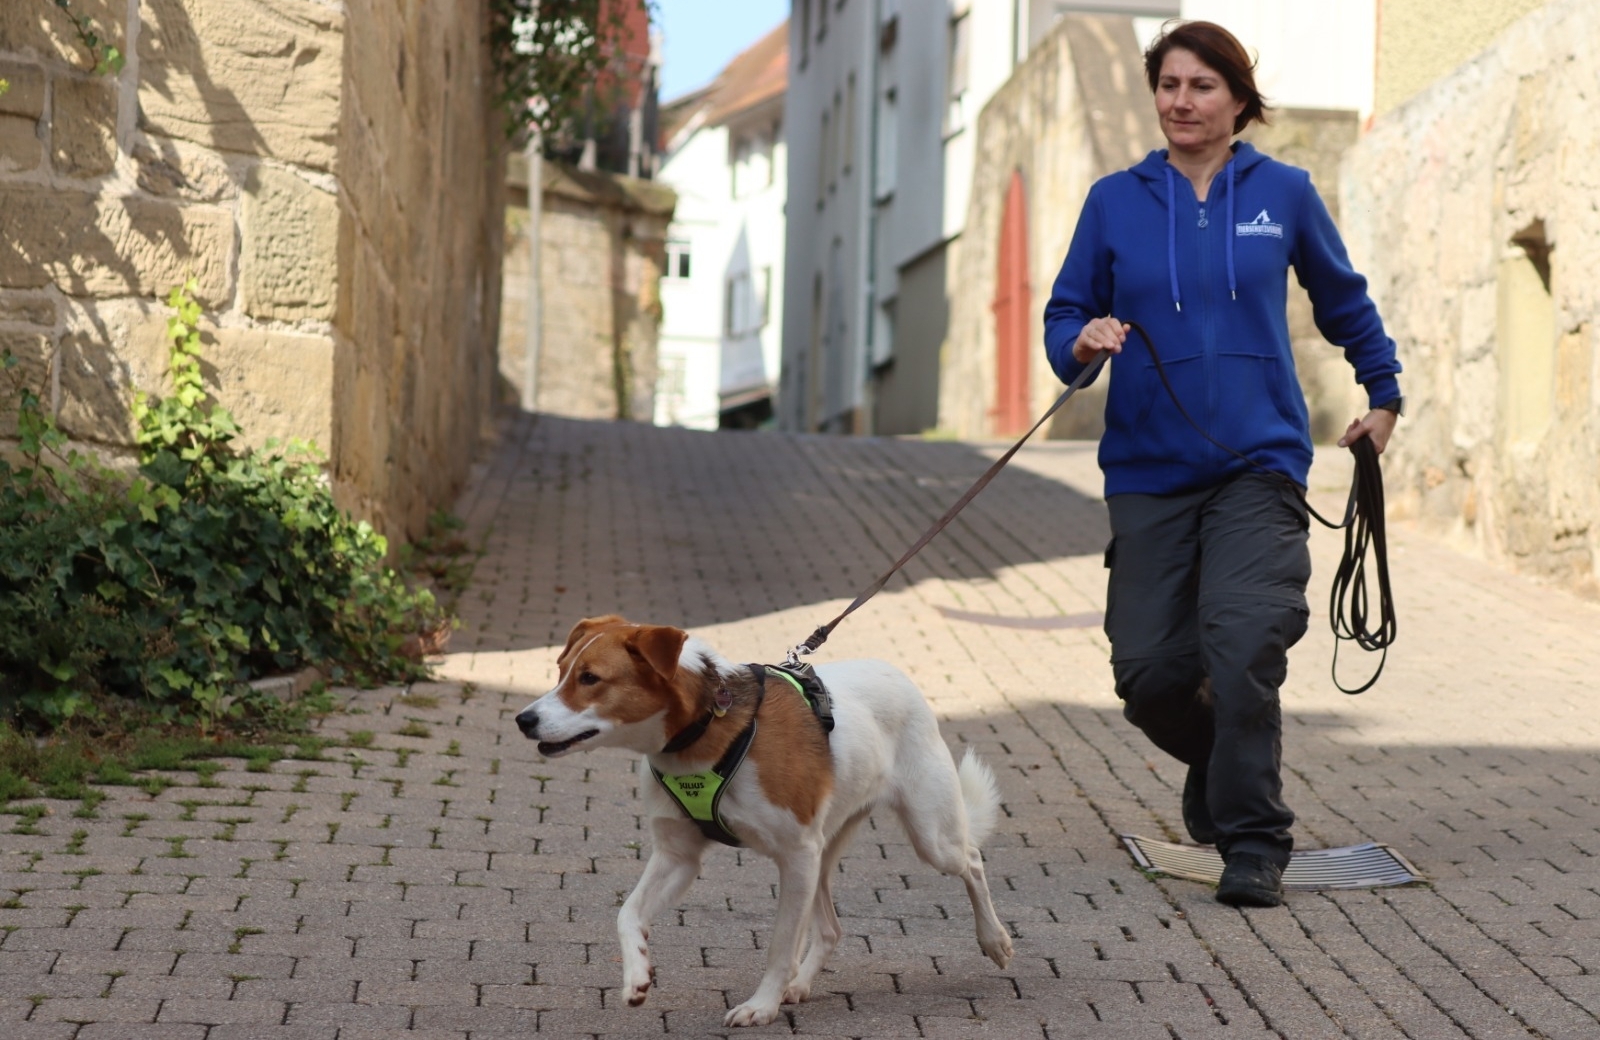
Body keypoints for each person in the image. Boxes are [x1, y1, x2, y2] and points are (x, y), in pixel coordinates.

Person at [1042, 20, 1403, 908]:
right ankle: (1219, 761)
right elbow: (1064, 316)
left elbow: (1342, 299)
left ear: (1239, 99)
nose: (1182, 101)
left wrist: (1383, 394)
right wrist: (1081, 340)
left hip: (1258, 465)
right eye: (1169, 85)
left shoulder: (1284, 192)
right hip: (1147, 469)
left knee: (1243, 646)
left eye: (1201, 86)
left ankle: (1253, 840)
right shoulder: (1114, 201)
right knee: (1148, 674)